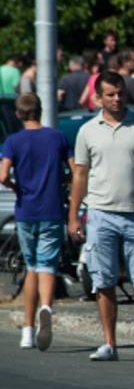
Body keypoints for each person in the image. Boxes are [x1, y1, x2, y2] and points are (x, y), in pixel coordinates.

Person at [67, 72, 134, 361]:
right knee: (103, 280)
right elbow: (80, 174)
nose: (116, 99)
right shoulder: (88, 130)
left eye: (120, 93)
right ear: (98, 98)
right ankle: (109, 343)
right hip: (100, 213)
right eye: (110, 94)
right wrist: (73, 216)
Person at [1, 94, 73, 350]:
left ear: (18, 114)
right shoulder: (57, 137)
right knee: (47, 265)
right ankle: (46, 308)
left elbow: (2, 175)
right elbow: (75, 169)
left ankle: (27, 330)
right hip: (52, 209)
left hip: (26, 210)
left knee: (31, 266)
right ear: (40, 111)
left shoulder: (13, 141)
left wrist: (16, 187)